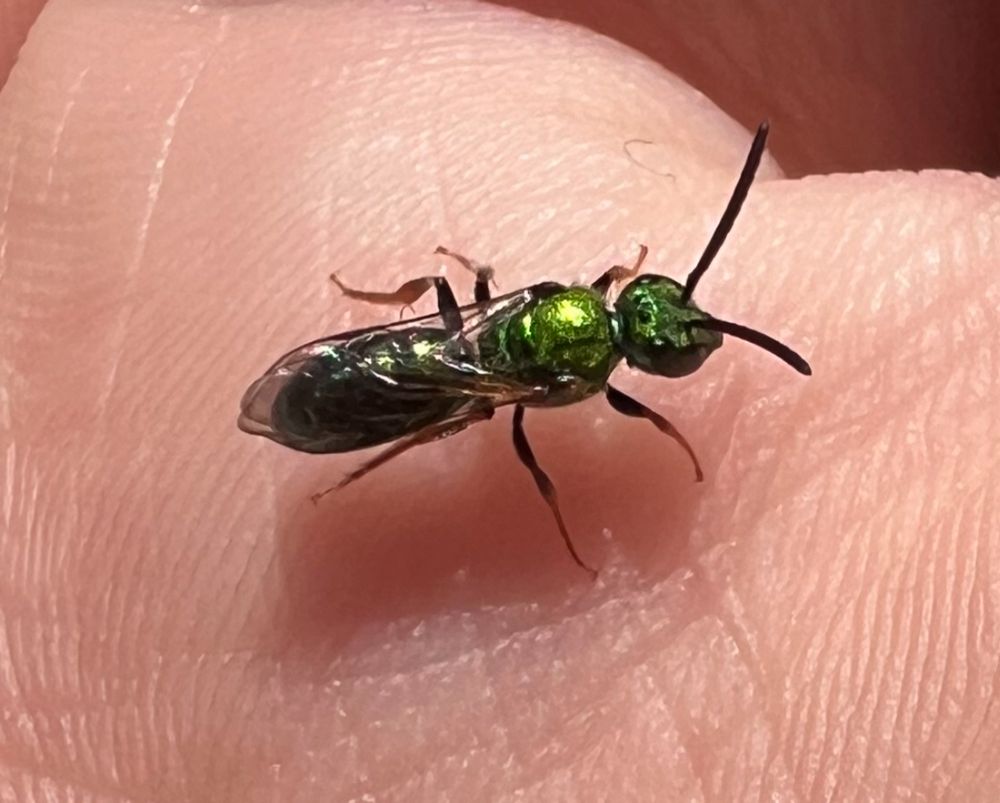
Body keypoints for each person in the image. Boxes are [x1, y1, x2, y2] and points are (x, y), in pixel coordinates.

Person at [1, 2, 997, 800]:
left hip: (451, 341)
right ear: (617, 315)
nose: (666, 309)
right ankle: (353, 443)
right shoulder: (574, 371)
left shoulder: (574, 304)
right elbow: (546, 387)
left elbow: (542, 290)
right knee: (455, 400)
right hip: (446, 373)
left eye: (663, 308)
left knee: (450, 320)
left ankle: (360, 362)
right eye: (656, 305)